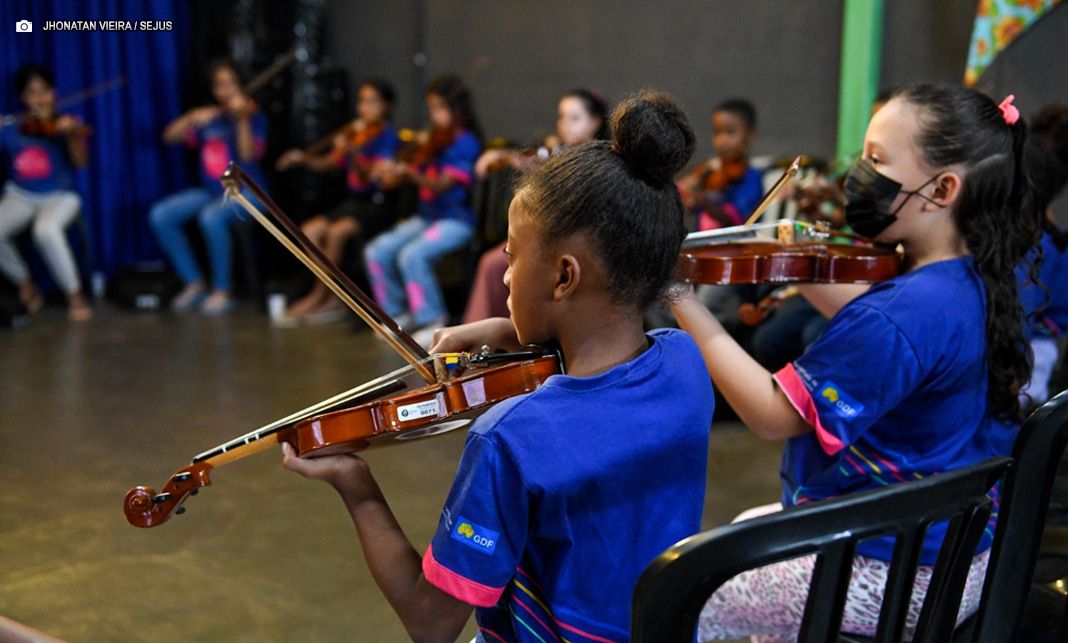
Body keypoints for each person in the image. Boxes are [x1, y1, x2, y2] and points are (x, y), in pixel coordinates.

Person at [282, 91, 714, 642]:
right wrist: (507, 329)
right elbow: (603, 352)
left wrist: (357, 485)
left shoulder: (511, 438)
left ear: (564, 277)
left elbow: (431, 622)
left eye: (511, 256)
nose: (505, 276)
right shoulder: (686, 363)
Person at [674, 84, 1039, 641]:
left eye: (876, 160)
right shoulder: (969, 278)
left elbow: (773, 414)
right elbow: (888, 331)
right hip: (958, 545)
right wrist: (796, 262)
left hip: (897, 570)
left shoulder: (900, 314)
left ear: (942, 189)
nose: (858, 175)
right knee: (744, 529)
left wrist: (680, 298)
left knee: (680, 590)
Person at [463, 88, 609, 323]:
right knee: (495, 263)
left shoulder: (600, 160)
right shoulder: (557, 152)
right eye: (562, 117)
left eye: (574, 118)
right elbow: (527, 159)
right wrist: (500, 156)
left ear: (594, 122)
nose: (565, 125)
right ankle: (488, 330)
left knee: (500, 264)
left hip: (576, 240)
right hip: (546, 236)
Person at [362, 75, 483, 343]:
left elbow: (440, 185)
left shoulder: (466, 142)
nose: (433, 115)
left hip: (456, 220)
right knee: (376, 251)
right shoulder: (433, 139)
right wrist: (391, 170)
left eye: (439, 108)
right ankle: (397, 313)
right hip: (428, 218)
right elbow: (411, 165)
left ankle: (432, 318)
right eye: (432, 108)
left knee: (412, 255)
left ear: (456, 108)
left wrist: (408, 172)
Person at [275, 79, 402, 325]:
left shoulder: (388, 137)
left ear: (386, 106)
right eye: (362, 101)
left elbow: (367, 176)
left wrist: (352, 152)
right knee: (310, 230)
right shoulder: (357, 135)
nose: (365, 108)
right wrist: (303, 158)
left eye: (372, 102)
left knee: (336, 233)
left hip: (377, 205)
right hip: (354, 203)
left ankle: (325, 297)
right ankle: (325, 293)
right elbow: (328, 163)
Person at [149, 58, 268, 315]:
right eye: (219, 85)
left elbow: (248, 156)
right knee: (161, 215)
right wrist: (191, 117)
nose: (225, 90)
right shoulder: (210, 119)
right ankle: (194, 282)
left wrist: (243, 120)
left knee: (211, 217)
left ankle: (222, 291)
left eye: (231, 84)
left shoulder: (253, 116)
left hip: (248, 193)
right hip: (212, 191)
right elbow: (169, 136)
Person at [0, 64, 92, 321]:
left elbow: (81, 162)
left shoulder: (64, 123)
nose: (39, 99)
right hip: (21, 194)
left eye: (44, 91)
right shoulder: (12, 127)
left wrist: (72, 136)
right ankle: (25, 284)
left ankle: (74, 294)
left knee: (46, 230)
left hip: (60, 195)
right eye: (32, 93)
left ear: (54, 93)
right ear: (23, 98)